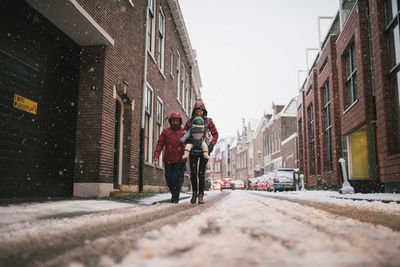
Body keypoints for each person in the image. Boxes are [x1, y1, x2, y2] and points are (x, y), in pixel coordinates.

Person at [184, 101, 218, 204]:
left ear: (204, 112)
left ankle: (201, 195)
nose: (199, 113)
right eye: (197, 111)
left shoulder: (208, 121)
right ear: (194, 112)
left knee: (201, 173)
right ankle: (194, 193)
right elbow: (184, 133)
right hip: (193, 151)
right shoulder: (190, 122)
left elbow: (215, 134)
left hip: (204, 150)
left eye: (201, 111)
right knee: (193, 173)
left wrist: (211, 144)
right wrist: (187, 141)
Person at [154, 112, 186, 203]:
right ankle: (174, 194)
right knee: (169, 179)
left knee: (177, 179)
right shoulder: (166, 132)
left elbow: (188, 144)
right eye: (173, 120)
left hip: (180, 160)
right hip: (168, 160)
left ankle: (175, 198)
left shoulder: (183, 132)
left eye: (177, 120)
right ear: (170, 121)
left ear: (180, 121)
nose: (175, 122)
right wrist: (157, 155)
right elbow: (160, 143)